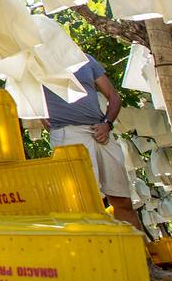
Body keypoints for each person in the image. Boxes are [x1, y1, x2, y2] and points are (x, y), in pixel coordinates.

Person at [43, 54, 145, 232]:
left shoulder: (85, 59)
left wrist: (107, 124)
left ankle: (143, 257)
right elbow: (19, 90)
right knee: (85, 203)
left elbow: (113, 96)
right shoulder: (35, 60)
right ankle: (101, 255)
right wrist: (38, 116)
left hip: (101, 132)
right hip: (69, 134)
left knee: (122, 201)